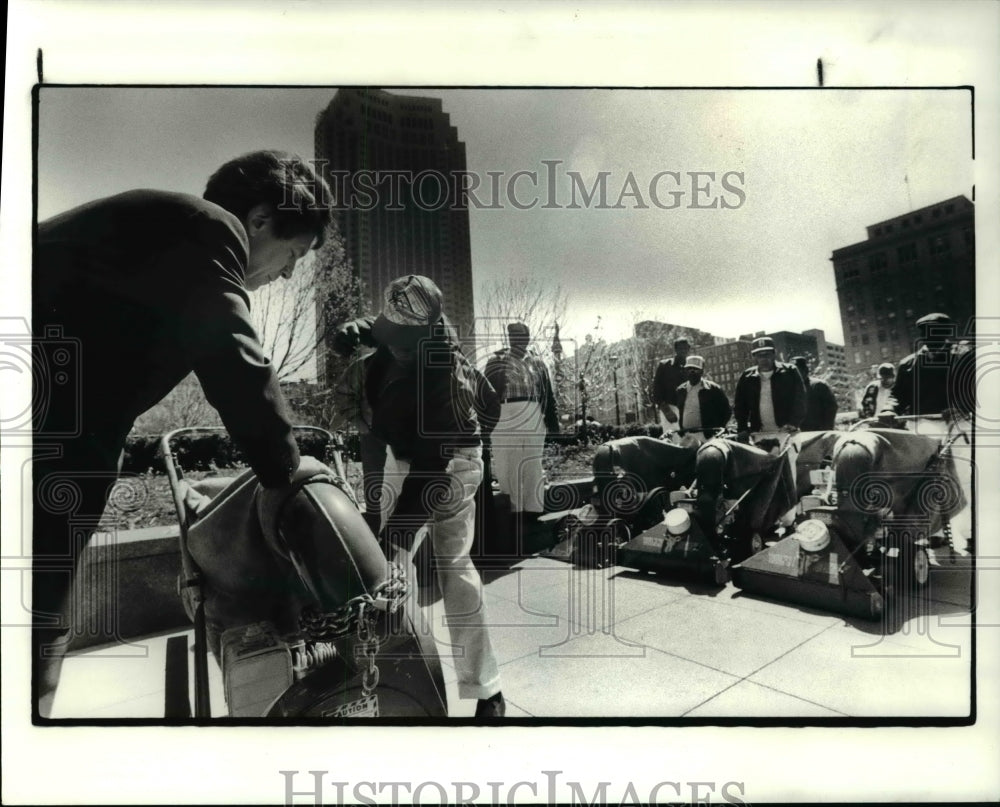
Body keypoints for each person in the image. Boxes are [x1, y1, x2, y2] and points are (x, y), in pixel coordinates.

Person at [31, 150, 334, 718]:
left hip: (50, 463)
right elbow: (237, 366)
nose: (289, 273)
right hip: (40, 461)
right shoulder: (210, 229)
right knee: (32, 654)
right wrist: (285, 472)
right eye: (293, 254)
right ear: (261, 219)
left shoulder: (157, 244)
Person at [332, 275, 505, 719]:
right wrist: (354, 327)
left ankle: (487, 689)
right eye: (392, 338)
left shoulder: (445, 378)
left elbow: (431, 473)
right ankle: (383, 674)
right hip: (407, 453)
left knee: (451, 565)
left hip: (451, 461)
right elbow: (380, 328)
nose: (396, 349)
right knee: (384, 568)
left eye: (406, 342)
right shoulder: (396, 336)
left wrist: (399, 539)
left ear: (427, 335)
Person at [483, 322, 560, 526]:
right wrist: (484, 423)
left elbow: (549, 397)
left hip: (533, 413)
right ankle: (512, 510)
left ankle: (533, 511)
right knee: (508, 464)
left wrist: (554, 425)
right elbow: (485, 394)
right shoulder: (497, 361)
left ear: (528, 338)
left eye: (523, 336)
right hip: (505, 413)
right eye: (514, 336)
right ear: (509, 338)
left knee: (532, 463)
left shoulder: (538, 363)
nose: (519, 339)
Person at [733, 336, 806, 450]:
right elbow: (740, 406)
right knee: (760, 466)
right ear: (754, 357)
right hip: (759, 434)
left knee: (788, 465)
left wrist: (793, 423)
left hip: (787, 433)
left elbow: (801, 400)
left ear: (774, 354)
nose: (763, 359)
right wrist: (742, 429)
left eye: (767, 354)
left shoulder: (790, 371)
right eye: (759, 355)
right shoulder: (747, 376)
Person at [674, 355, 732, 447]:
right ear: (685, 371)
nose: (692, 372)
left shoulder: (713, 389)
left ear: (702, 371)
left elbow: (727, 411)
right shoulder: (680, 390)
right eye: (689, 369)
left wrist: (716, 430)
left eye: (695, 369)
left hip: (707, 436)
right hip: (687, 435)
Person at [651, 337, 691, 435]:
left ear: (689, 349)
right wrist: (666, 410)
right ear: (675, 350)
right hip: (670, 409)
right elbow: (656, 390)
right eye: (680, 348)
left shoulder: (691, 367)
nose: (683, 351)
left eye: (685, 348)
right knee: (673, 439)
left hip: (688, 409)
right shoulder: (664, 365)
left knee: (690, 441)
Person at [792, 355, 838, 431]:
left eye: (798, 371)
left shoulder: (818, 385)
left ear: (805, 370)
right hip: (797, 434)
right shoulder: (790, 388)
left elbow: (831, 408)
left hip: (818, 433)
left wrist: (825, 430)